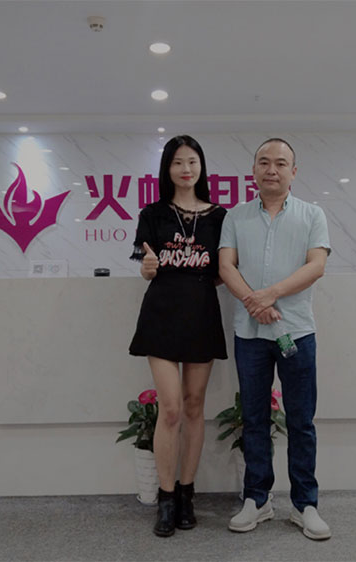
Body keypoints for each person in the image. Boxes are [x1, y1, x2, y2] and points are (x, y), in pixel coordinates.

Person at [218, 138, 332, 540]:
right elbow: (226, 265)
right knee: (254, 419)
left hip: (296, 330)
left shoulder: (312, 214)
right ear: (253, 171)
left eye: (281, 163)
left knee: (301, 421)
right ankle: (257, 499)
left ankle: (305, 505)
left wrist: (270, 295)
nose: (272, 169)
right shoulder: (235, 216)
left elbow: (316, 265)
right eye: (264, 162)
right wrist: (256, 303)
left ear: (293, 172)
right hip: (250, 334)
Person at [129, 135, 227, 537]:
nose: (186, 169)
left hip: (201, 314)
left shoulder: (220, 216)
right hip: (162, 315)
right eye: (177, 162)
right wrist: (148, 267)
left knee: (193, 406)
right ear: (167, 168)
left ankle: (187, 493)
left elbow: (223, 270)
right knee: (169, 409)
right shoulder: (152, 213)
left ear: (201, 167)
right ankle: (166, 497)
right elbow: (145, 264)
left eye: (192, 161)